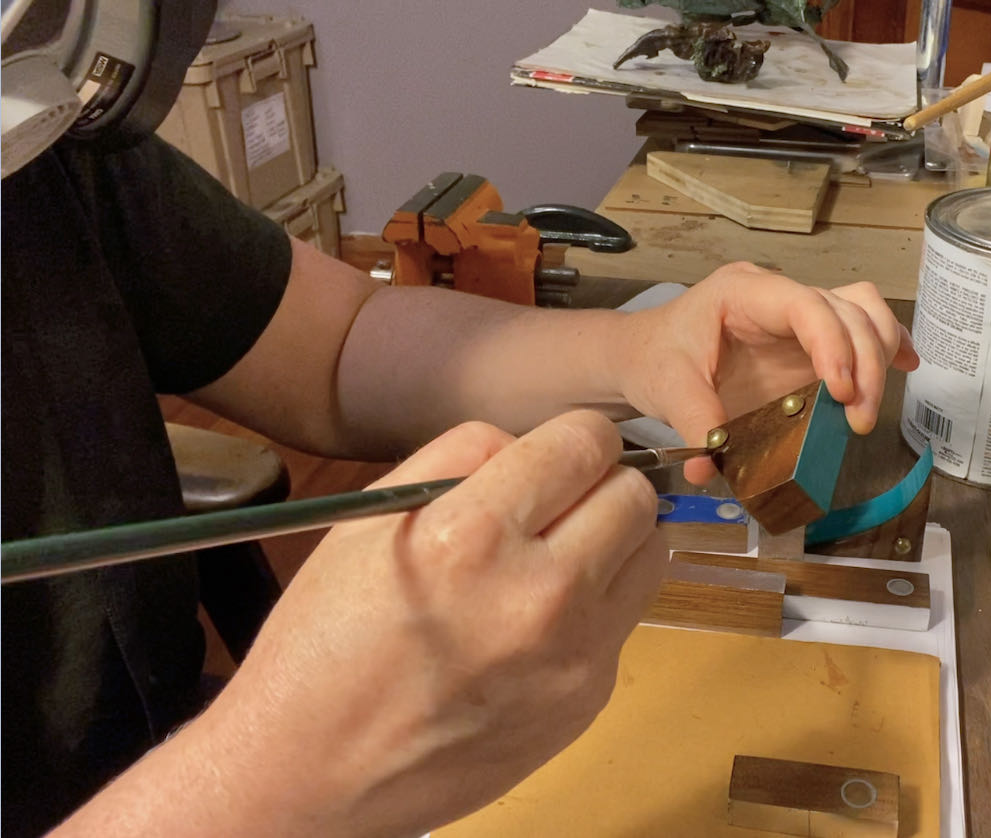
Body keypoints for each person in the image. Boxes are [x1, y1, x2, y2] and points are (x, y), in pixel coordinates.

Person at [3, 58, 917, 838]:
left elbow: (334, 345)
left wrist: (640, 349)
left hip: (163, 738)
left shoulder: (40, 113)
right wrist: (277, 773)